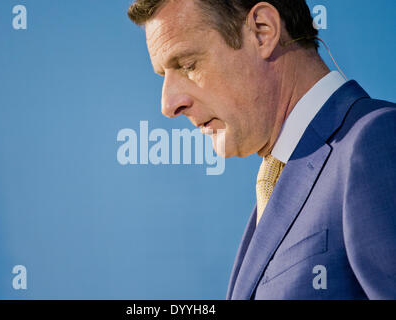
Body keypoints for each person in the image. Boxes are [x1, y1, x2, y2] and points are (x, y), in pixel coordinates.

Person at [127, 0, 396, 299]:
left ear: (262, 31)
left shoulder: (377, 140)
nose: (168, 105)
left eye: (188, 65)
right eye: (164, 76)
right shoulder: (278, 181)